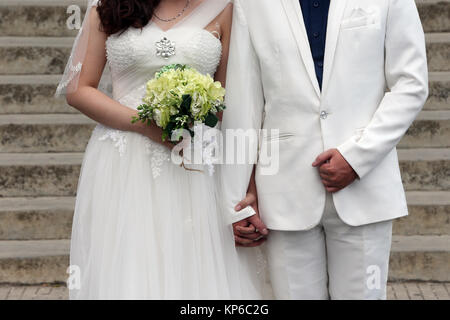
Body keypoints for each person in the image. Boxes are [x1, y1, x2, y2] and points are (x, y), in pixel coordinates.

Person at [56, 0, 265, 299]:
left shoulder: (226, 7)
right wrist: (144, 125)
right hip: (123, 160)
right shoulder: (109, 6)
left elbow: (234, 103)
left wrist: (248, 183)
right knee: (129, 264)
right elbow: (78, 90)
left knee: (191, 267)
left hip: (194, 163)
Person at [223, 0, 428, 299]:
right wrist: (240, 190)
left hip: (365, 187)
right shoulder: (252, 4)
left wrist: (357, 157)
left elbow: (411, 84)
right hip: (283, 192)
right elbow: (245, 103)